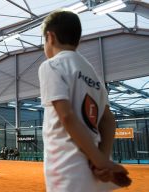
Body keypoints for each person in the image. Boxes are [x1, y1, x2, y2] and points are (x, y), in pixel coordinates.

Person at [38, 10, 130, 192]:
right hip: (94, 172)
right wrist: (101, 161)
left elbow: (66, 117)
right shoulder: (92, 73)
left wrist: (101, 162)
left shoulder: (51, 65)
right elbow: (108, 121)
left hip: (67, 167)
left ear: (50, 37)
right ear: (77, 41)